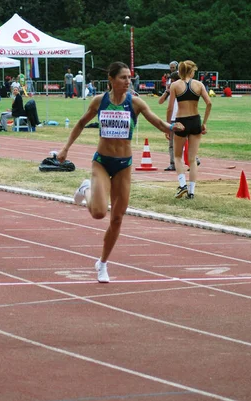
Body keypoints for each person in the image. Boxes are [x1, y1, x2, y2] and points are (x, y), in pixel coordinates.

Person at [56, 62, 184, 283]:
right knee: (98, 213)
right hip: (102, 163)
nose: (128, 81)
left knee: (116, 218)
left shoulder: (135, 103)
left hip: (124, 165)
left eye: (129, 77)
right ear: (112, 80)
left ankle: (103, 263)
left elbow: (156, 121)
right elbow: (79, 123)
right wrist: (65, 148)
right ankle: (86, 187)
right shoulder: (100, 101)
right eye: (124, 77)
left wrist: (172, 128)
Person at [167, 60, 212, 199]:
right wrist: (204, 122)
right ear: (191, 71)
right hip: (195, 120)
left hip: (181, 121)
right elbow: (209, 103)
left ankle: (182, 185)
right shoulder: (199, 85)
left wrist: (168, 126)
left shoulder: (175, 85)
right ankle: (191, 192)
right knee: (192, 159)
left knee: (178, 156)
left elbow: (170, 107)